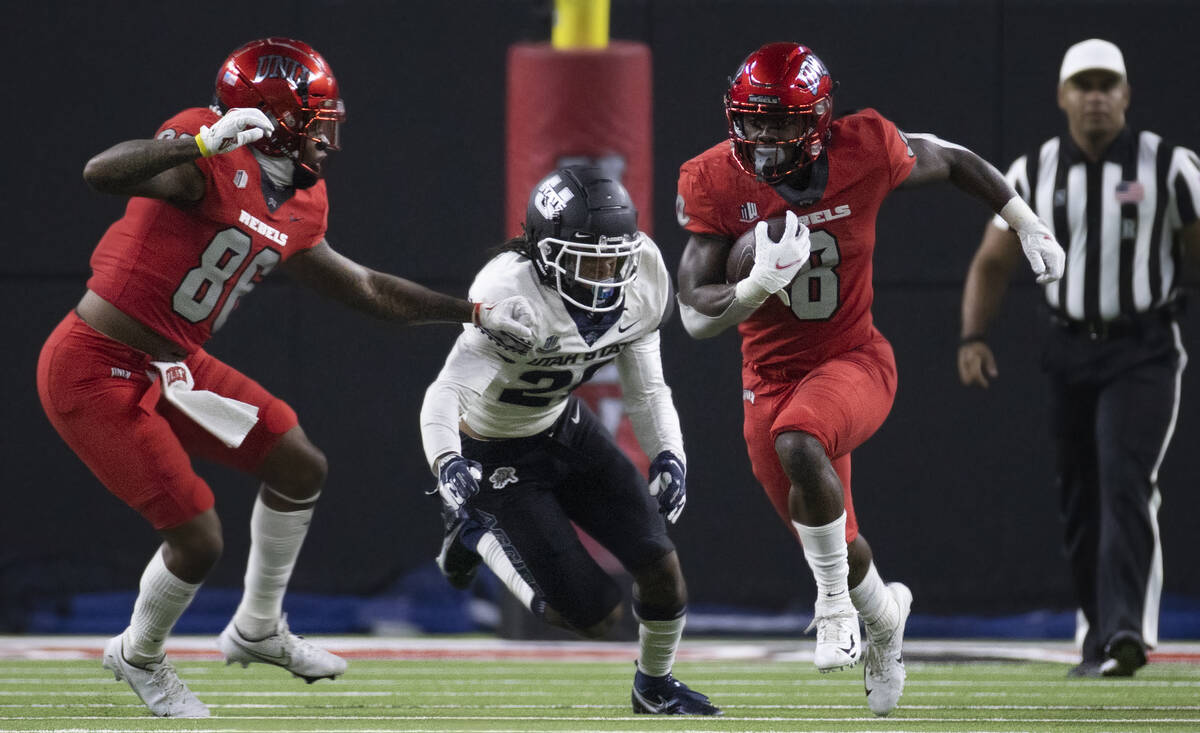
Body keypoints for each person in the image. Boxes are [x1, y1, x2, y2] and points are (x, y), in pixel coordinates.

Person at [35, 37, 534, 719]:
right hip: (96, 360)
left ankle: (258, 627)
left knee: (299, 464)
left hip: (175, 365)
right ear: (277, 116)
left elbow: (364, 287)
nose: (329, 139)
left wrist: (469, 312)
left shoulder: (301, 201)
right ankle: (139, 654)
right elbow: (103, 172)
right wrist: (202, 145)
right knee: (198, 537)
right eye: (319, 122)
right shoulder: (203, 151)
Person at [674, 42, 1065, 716]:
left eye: (783, 122)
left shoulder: (866, 148)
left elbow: (953, 159)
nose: (765, 139)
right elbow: (692, 313)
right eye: (754, 121)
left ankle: (831, 610)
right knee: (836, 540)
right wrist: (755, 287)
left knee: (800, 443)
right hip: (765, 379)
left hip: (853, 360)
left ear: (821, 121)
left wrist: (1024, 222)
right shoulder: (716, 179)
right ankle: (883, 618)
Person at [421, 166, 721, 716]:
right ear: (543, 253)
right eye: (589, 262)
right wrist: (446, 462)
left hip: (564, 425)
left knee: (661, 567)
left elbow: (648, 386)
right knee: (590, 615)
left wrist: (670, 455)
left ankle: (654, 687)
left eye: (615, 260)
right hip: (493, 451)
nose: (607, 274)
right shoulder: (508, 292)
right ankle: (472, 535)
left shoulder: (643, 272)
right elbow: (444, 395)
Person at [958, 39, 1200, 678]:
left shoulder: (1171, 167)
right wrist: (973, 337)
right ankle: (1100, 636)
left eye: (1107, 84)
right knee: (1079, 494)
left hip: (1144, 347)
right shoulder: (1032, 172)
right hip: (1067, 347)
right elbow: (992, 259)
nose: (1096, 96)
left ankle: (1126, 631)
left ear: (1125, 93)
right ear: (1063, 96)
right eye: (1083, 85)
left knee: (1124, 478)